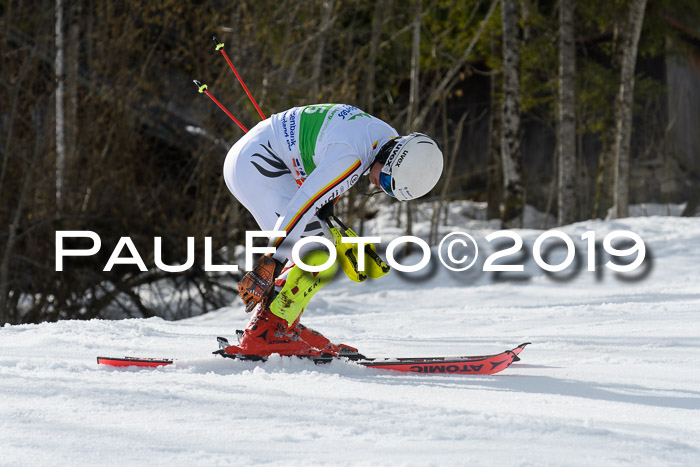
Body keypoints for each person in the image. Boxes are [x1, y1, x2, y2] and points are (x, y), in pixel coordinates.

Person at [222, 103, 443, 357]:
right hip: (258, 163)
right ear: (391, 157)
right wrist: (273, 259)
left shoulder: (384, 136)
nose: (381, 188)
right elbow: (302, 204)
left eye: (390, 191)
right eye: (385, 181)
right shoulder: (353, 156)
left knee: (319, 248)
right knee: (317, 252)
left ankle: (282, 322)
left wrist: (325, 203)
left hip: (261, 151)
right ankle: (267, 332)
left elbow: (324, 162)